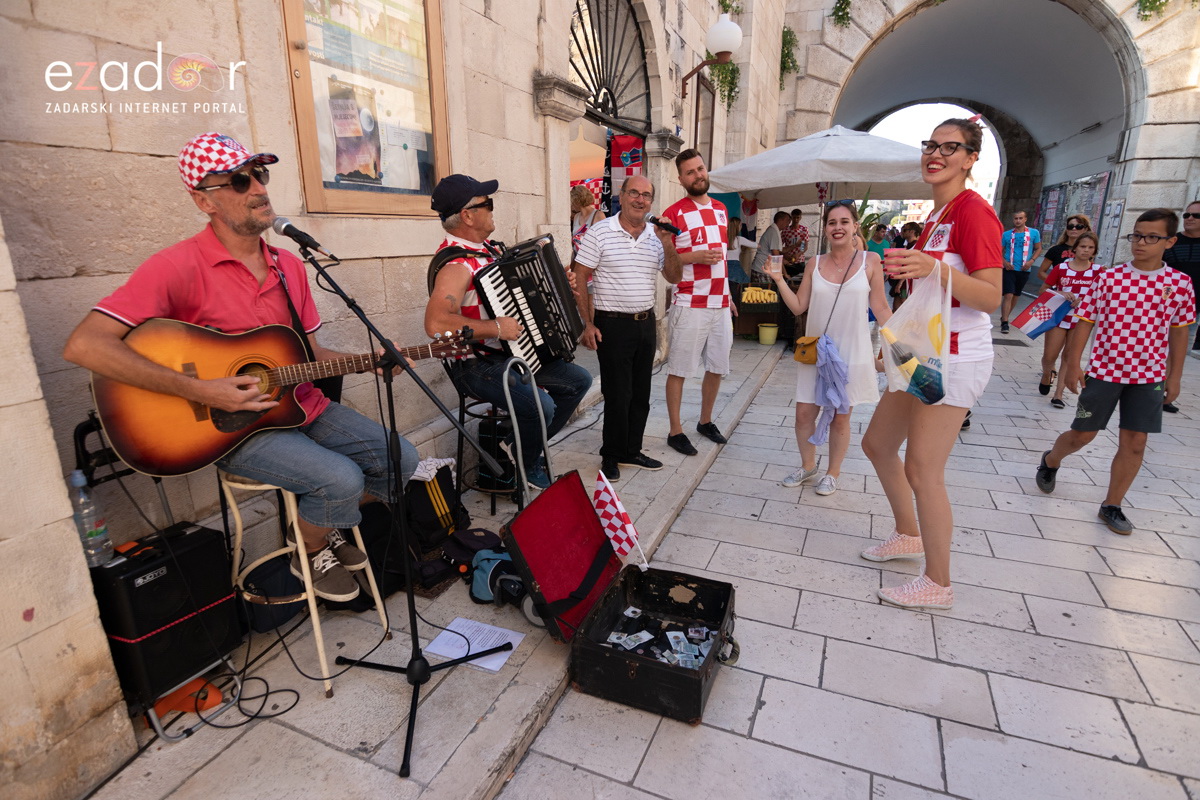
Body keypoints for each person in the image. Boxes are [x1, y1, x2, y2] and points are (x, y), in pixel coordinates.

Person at [62, 132, 416, 603]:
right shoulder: (176, 267)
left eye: (259, 175)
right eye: (238, 180)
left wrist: (371, 362)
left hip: (301, 406)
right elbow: (85, 344)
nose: (258, 188)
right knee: (340, 478)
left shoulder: (290, 266)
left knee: (401, 459)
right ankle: (309, 548)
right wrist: (201, 390)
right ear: (203, 200)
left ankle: (319, 522)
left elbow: (310, 355)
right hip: (232, 428)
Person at [858, 118, 1003, 610]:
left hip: (956, 357)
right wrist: (896, 344)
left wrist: (935, 269)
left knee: (923, 469)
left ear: (970, 158)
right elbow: (928, 300)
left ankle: (938, 583)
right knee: (878, 444)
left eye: (949, 147)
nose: (935, 154)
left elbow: (991, 297)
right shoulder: (941, 213)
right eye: (930, 145)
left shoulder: (974, 212)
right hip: (923, 353)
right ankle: (908, 534)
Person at [425, 174, 592, 489]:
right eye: (487, 203)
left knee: (578, 381)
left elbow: (522, 294)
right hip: (476, 365)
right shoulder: (456, 266)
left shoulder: (489, 250)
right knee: (542, 406)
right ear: (467, 215)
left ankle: (520, 446)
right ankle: (527, 458)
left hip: (510, 355)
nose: (492, 208)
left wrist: (559, 283)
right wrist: (495, 327)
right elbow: (435, 324)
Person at [1036, 209, 1194, 535]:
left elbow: (1179, 331)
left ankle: (1112, 505)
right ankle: (1051, 460)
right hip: (1105, 372)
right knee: (1083, 435)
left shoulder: (1180, 284)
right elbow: (1085, 321)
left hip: (1149, 377)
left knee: (1135, 443)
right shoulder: (1110, 278)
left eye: (1151, 237)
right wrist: (1074, 364)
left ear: (1170, 242)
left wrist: (1174, 376)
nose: (1141, 243)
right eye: (1137, 235)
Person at [766, 200, 891, 496]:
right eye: (832, 222)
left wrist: (901, 343)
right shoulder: (815, 263)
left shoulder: (871, 261)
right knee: (803, 414)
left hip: (851, 351)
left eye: (844, 222)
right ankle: (808, 466)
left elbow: (881, 308)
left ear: (855, 226)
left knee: (840, 417)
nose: (838, 227)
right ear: (825, 229)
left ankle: (833, 473)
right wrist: (779, 279)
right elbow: (799, 306)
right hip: (817, 353)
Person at [572, 176, 683, 481]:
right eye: (633, 192)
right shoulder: (600, 232)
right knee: (617, 394)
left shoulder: (656, 237)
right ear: (620, 196)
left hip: (645, 324)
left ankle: (632, 450)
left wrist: (667, 241)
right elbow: (580, 275)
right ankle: (611, 455)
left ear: (651, 202)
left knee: (640, 394)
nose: (639, 199)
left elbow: (674, 276)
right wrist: (587, 323)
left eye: (646, 195)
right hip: (612, 324)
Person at [661, 148, 734, 456]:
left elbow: (722, 260)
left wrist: (729, 296)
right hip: (689, 303)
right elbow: (664, 263)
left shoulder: (720, 208)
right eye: (690, 172)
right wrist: (694, 256)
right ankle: (675, 431)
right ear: (681, 179)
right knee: (679, 369)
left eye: (700, 169)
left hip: (720, 303)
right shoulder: (673, 213)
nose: (697, 175)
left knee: (717, 367)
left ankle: (705, 421)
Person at [1039, 232, 1103, 408]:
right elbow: (1043, 290)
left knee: (1069, 355)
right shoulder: (1061, 268)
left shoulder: (1099, 272)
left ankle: (1058, 394)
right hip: (1059, 317)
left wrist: (1085, 300)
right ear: (1074, 249)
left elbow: (1102, 296)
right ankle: (1047, 374)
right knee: (1049, 356)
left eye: (1090, 247)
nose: (1086, 250)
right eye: (1083, 246)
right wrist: (1060, 293)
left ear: (1095, 251)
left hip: (1081, 320)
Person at [1164, 199, 1200, 409]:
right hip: (1165, 306)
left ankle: (1166, 392)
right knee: (1160, 349)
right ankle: (1153, 390)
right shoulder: (1172, 242)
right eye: (1187, 215)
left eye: (1196, 215)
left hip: (1193, 311)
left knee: (1178, 351)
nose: (1190, 219)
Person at [999, 210, 1043, 333]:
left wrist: (1031, 261)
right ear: (1013, 220)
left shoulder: (1034, 233)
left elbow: (1038, 248)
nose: (1018, 221)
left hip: (1024, 269)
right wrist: (1004, 262)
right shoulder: (1006, 234)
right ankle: (1005, 322)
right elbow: (998, 250)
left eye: (1020, 218)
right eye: (1016, 218)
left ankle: (1005, 316)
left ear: (1025, 219)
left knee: (1016, 295)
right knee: (1008, 294)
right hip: (1009, 269)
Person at [1036, 214, 1092, 282]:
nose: (1074, 229)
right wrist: (1056, 282)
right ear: (1067, 229)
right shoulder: (1055, 250)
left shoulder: (1088, 250)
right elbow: (1041, 273)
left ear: (1085, 229)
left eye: (1079, 226)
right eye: (1070, 226)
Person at [752, 211, 790, 279]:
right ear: (780, 220)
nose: (788, 224)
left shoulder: (774, 230)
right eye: (787, 221)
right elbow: (776, 255)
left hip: (763, 267)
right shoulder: (773, 232)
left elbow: (778, 251)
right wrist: (785, 273)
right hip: (762, 269)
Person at [570, 183, 606, 255]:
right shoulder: (576, 216)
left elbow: (604, 240)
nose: (571, 204)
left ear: (576, 201)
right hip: (577, 257)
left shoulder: (598, 215)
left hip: (592, 257)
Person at [726, 216, 757, 294]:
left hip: (724, 267)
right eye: (740, 225)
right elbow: (756, 245)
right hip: (735, 267)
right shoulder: (739, 239)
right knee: (745, 286)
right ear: (737, 227)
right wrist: (749, 241)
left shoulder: (723, 239)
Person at [781, 208, 809, 277]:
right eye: (794, 218)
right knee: (788, 279)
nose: (796, 220)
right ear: (791, 218)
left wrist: (798, 254)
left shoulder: (804, 230)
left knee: (799, 280)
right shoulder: (785, 230)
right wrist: (785, 255)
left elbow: (804, 246)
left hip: (800, 261)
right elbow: (779, 246)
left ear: (800, 218)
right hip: (788, 260)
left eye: (798, 218)